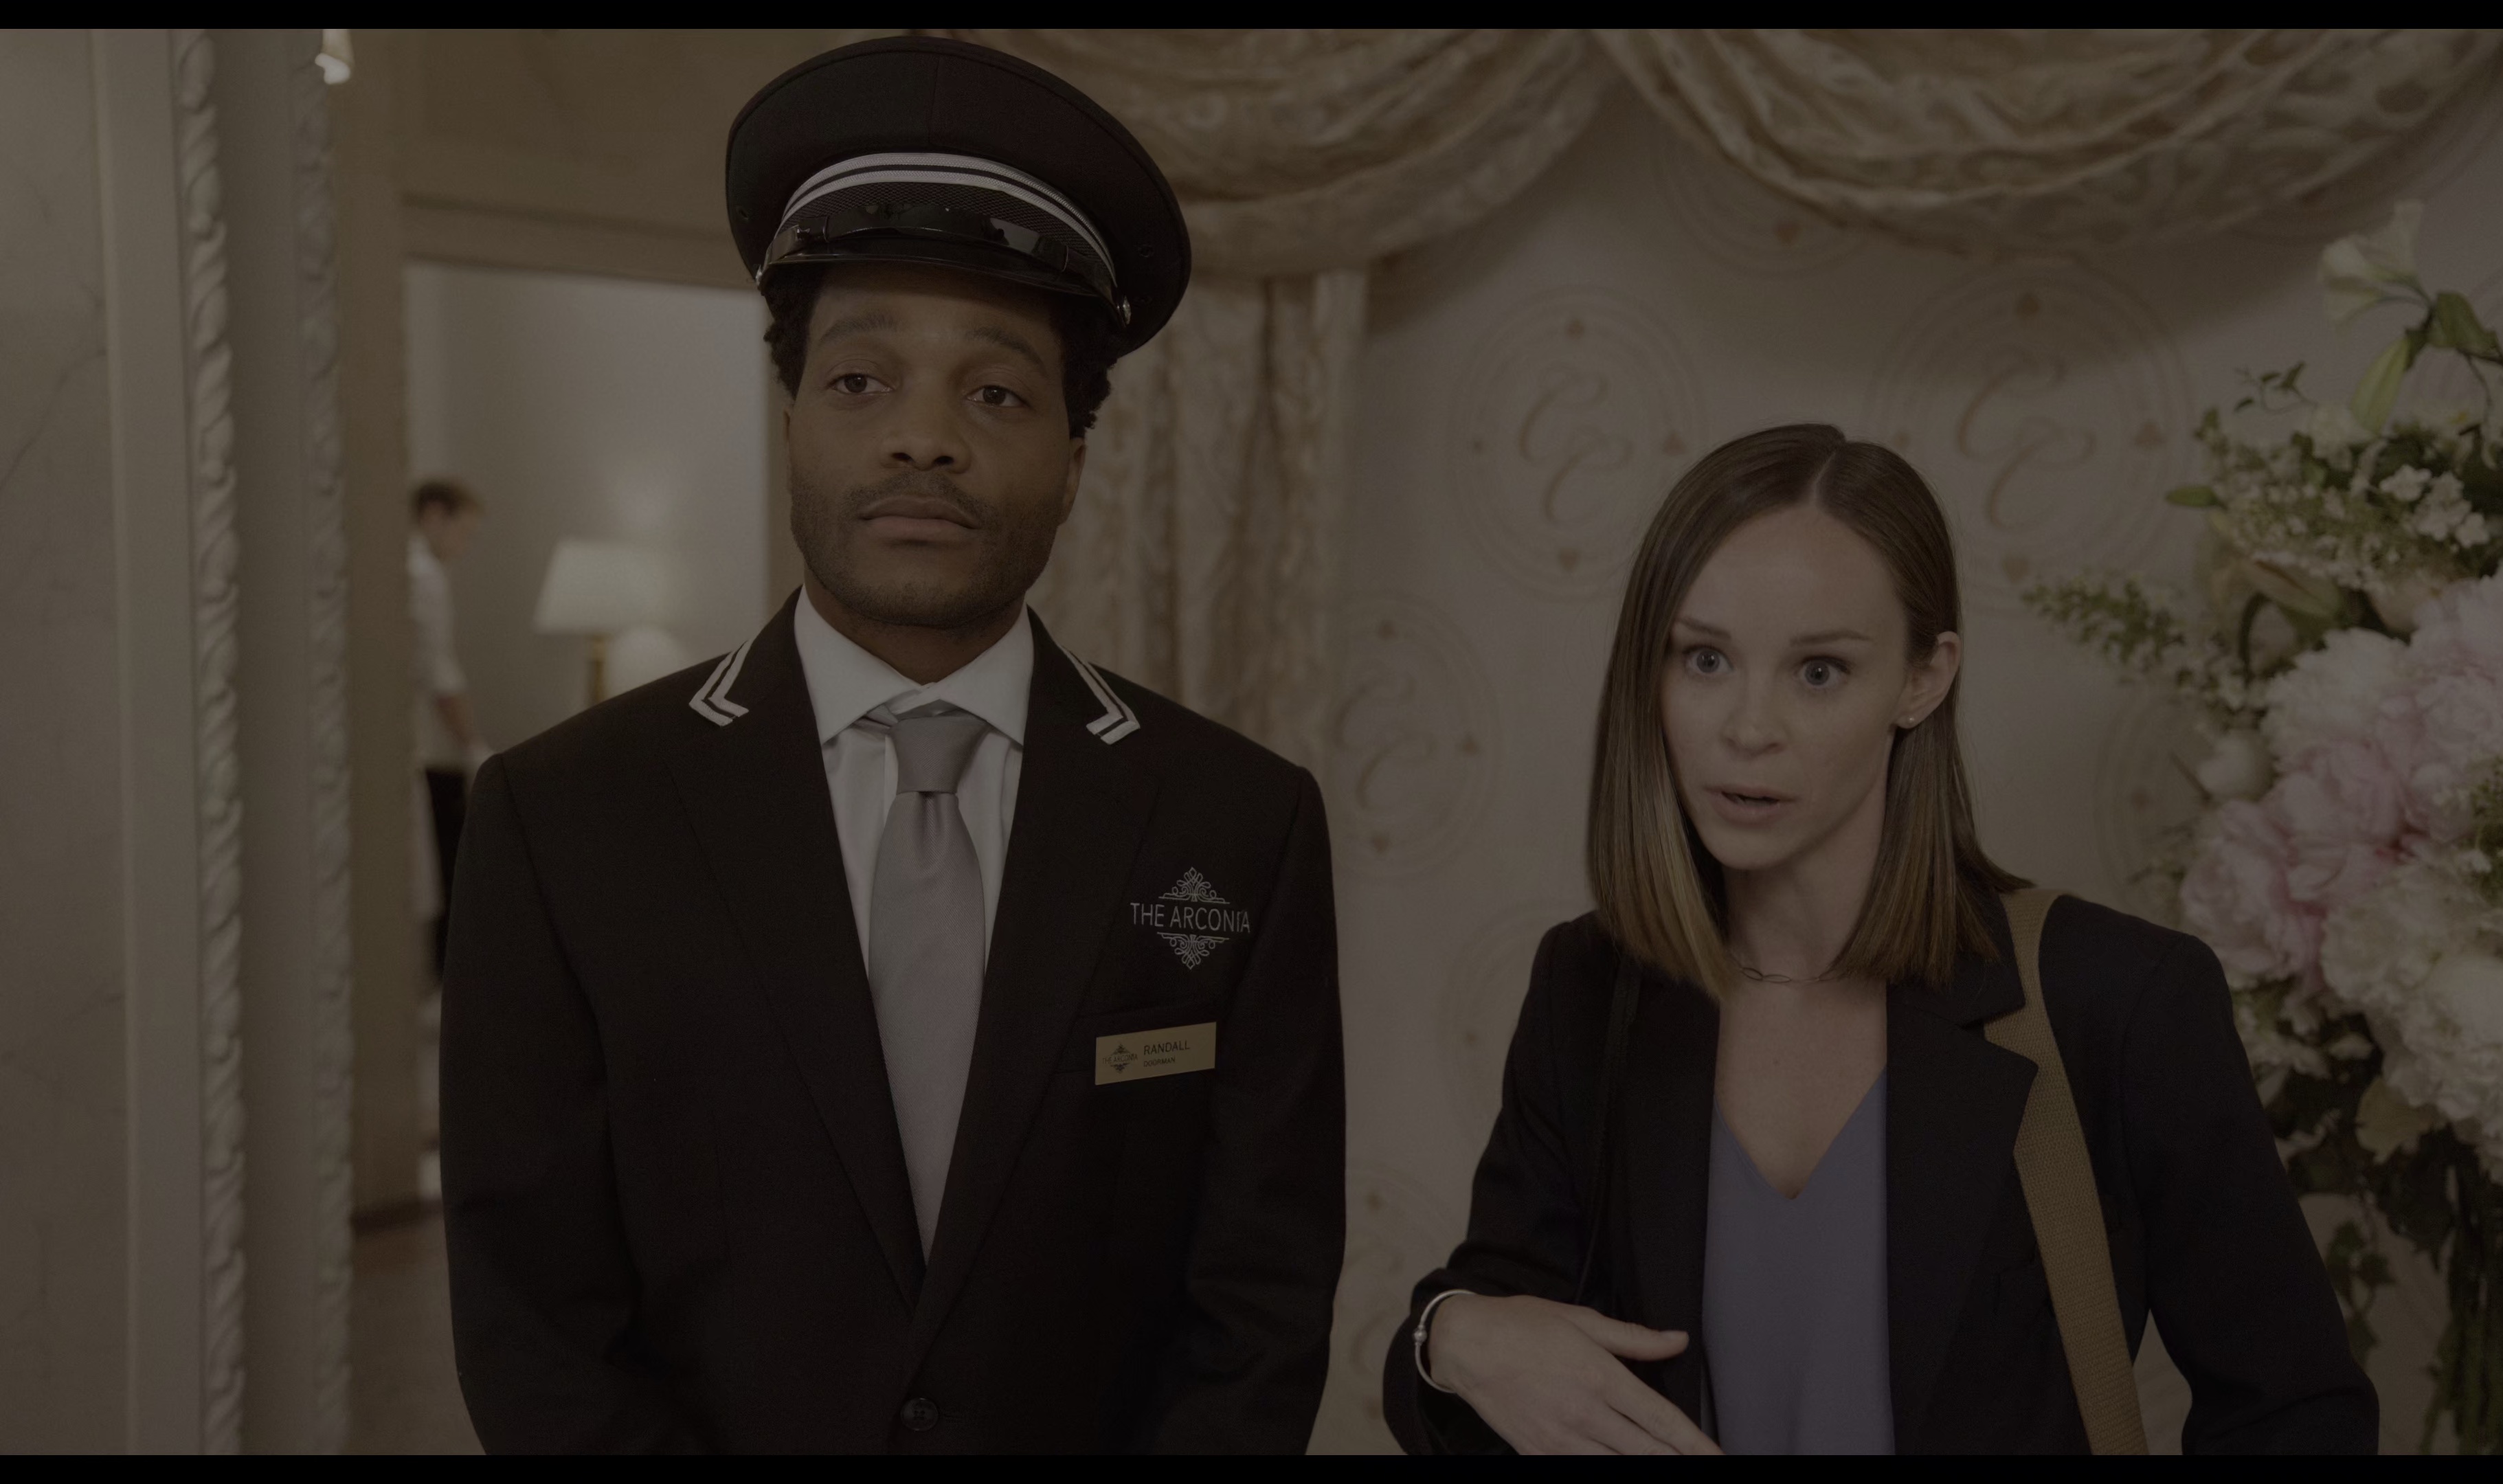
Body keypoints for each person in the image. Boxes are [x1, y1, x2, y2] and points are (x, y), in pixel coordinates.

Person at [442, 37, 1344, 1453]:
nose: (925, 439)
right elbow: (535, 1324)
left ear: (1074, 460)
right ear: (793, 420)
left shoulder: (1235, 824)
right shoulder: (564, 821)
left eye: (996, 393)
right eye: (863, 381)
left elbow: (1260, 1304)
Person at [1381, 425, 2377, 1454]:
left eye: (1818, 671)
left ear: (1922, 679)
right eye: (1705, 658)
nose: (1748, 728)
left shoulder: (2118, 999)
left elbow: (2299, 1413)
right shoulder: (1591, 988)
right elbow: (1497, 1350)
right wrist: (1450, 1337)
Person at [408, 477, 489, 974]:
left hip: (422, 743)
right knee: (437, 866)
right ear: (435, 515)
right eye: (465, 532)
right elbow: (441, 673)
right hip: (426, 748)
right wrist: (473, 745)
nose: (465, 546)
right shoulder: (424, 576)